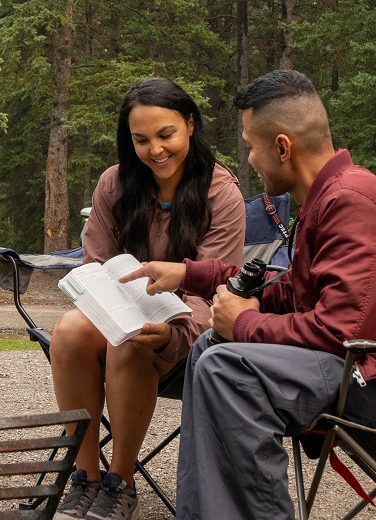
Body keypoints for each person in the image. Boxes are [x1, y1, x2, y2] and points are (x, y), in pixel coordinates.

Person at [122, 69, 376, 519]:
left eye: (251, 146)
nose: (248, 159)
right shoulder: (327, 198)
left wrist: (245, 323)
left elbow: (343, 330)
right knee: (211, 349)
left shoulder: (353, 203)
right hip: (374, 366)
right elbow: (289, 290)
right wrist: (192, 274)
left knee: (232, 369)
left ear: (283, 147)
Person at [49, 77, 245, 520]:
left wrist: (171, 334)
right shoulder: (114, 184)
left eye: (165, 135)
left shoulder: (220, 192)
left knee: (130, 340)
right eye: (141, 139)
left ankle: (120, 481)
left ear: (190, 124)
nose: (155, 149)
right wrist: (107, 302)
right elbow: (94, 266)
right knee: (68, 330)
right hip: (117, 308)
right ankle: (85, 478)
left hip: (186, 325)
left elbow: (216, 286)